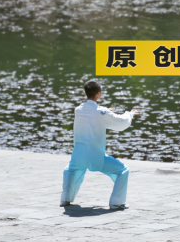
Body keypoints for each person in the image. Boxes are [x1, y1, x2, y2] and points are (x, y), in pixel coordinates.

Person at [60, 80, 140, 210]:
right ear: (98, 94)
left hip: (78, 155)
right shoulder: (102, 112)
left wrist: (105, 111)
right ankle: (117, 202)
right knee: (123, 170)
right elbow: (121, 122)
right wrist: (129, 114)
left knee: (71, 170)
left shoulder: (78, 110)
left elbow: (92, 116)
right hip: (95, 155)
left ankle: (65, 199)